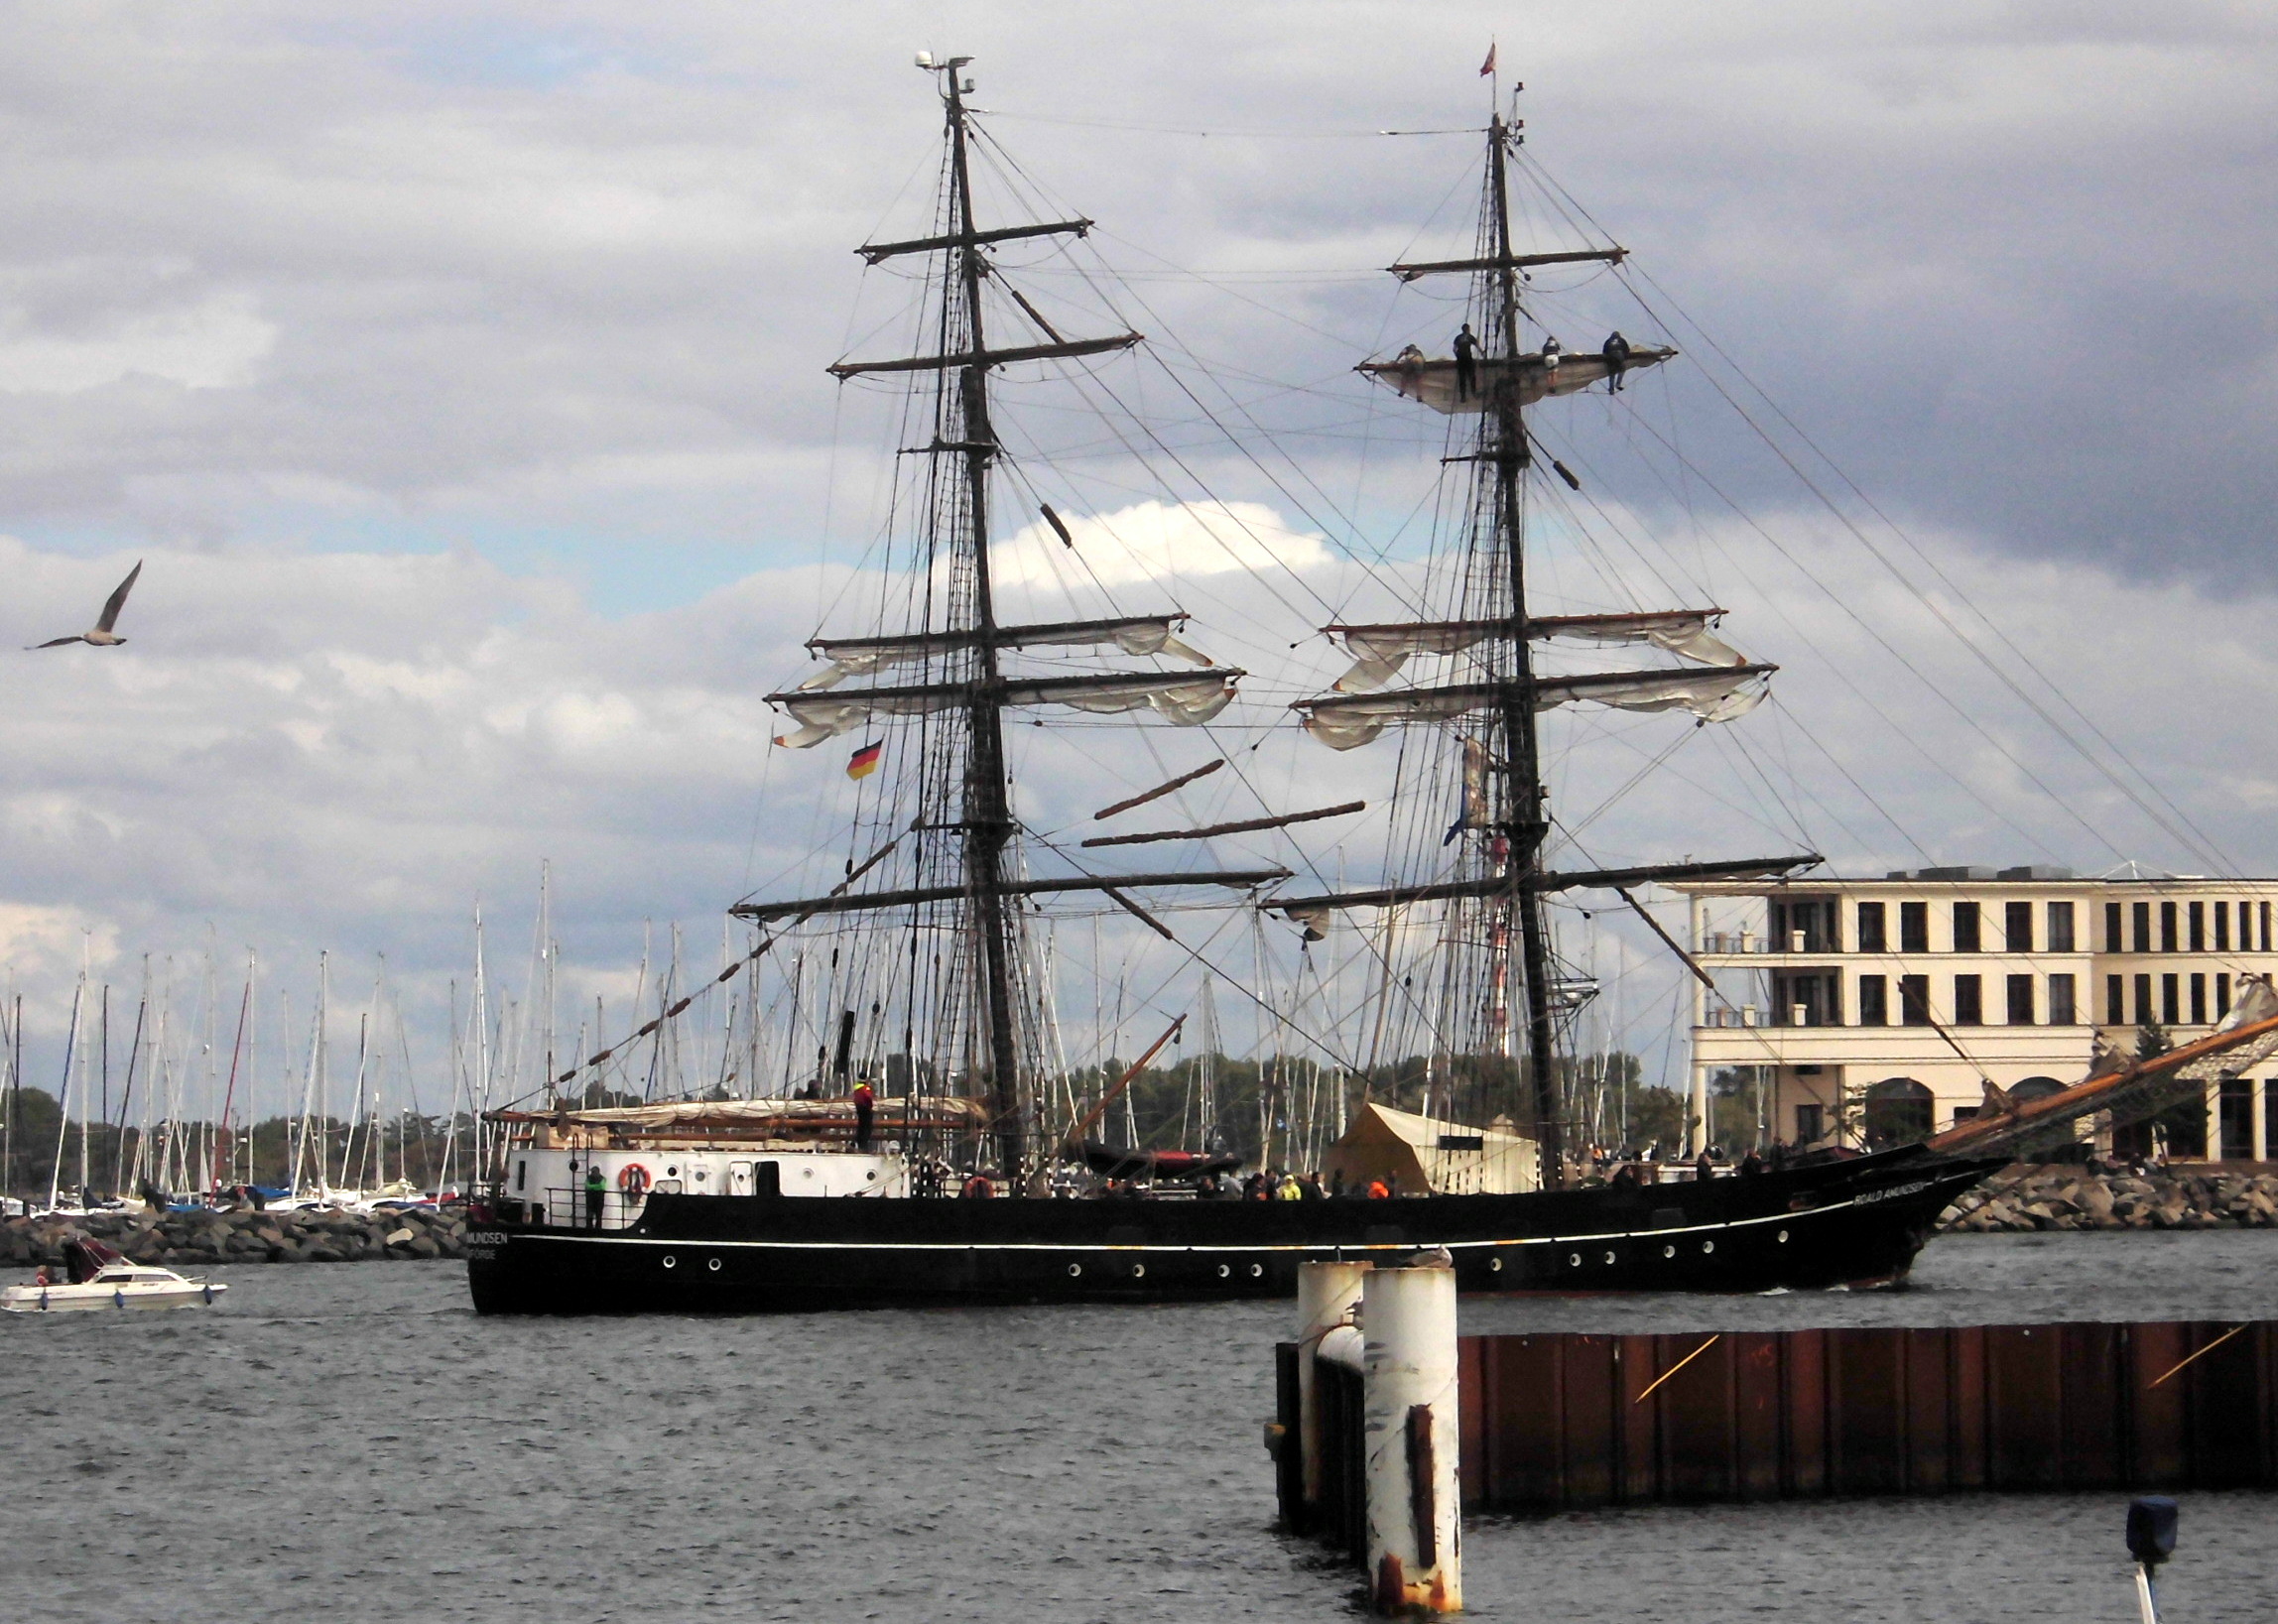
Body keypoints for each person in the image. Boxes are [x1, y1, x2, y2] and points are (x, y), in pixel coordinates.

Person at [1452, 322, 1478, 400]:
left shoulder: (1458, 338)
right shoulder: (1470, 337)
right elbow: (1477, 345)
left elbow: (1454, 349)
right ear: (1468, 329)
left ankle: (1463, 396)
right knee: (1472, 376)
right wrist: (1482, 353)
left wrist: (1457, 356)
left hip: (1460, 359)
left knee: (1462, 378)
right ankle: (1474, 392)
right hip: (1468, 358)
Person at [852, 1078, 875, 1152]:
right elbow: (868, 1097)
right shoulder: (865, 1088)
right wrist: (870, 1105)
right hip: (866, 1108)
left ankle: (858, 1142)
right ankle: (864, 1144)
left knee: (861, 1126)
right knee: (867, 1126)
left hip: (859, 1108)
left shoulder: (856, 1088)